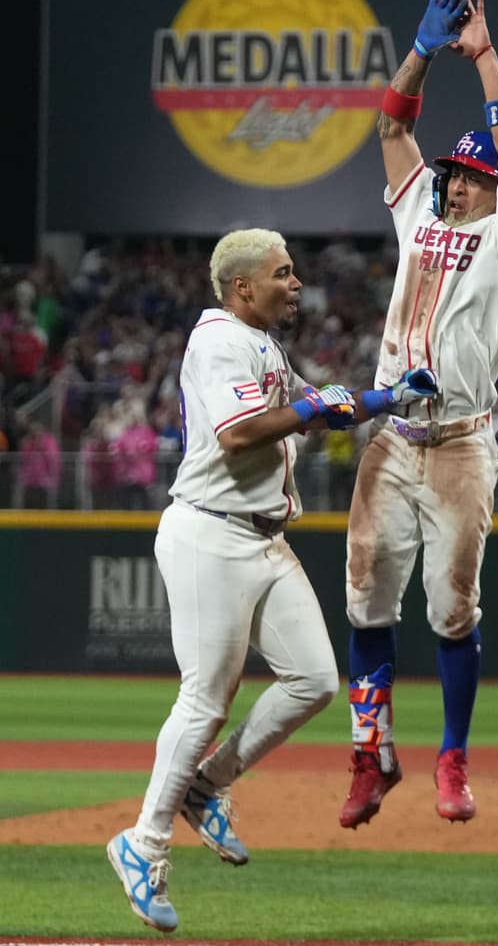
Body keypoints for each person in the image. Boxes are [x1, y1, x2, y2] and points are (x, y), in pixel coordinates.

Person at [106, 228, 438, 933]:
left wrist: (386, 399)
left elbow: (312, 407)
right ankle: (143, 843)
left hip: (261, 536)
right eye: (282, 274)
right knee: (204, 700)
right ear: (243, 287)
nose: (296, 284)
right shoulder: (219, 341)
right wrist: (319, 407)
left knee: (314, 682)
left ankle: (207, 786)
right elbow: (239, 433)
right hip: (211, 534)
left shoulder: (260, 342)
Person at [338, 0, 498, 830]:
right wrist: (421, 51)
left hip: (460, 443)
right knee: (363, 601)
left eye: (472, 176)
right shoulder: (413, 214)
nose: (457, 186)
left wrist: (482, 53)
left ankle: (451, 759)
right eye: (454, 174)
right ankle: (367, 756)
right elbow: (390, 128)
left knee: (451, 610)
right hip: (392, 437)